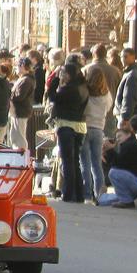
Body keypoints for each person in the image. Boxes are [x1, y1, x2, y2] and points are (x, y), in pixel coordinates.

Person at [47, 61, 89, 203]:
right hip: (80, 126)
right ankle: (78, 194)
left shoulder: (69, 89)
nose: (62, 75)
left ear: (69, 75)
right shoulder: (83, 87)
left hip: (66, 126)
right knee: (75, 161)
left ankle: (68, 193)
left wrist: (55, 80)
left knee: (67, 161)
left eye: (64, 73)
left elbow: (52, 97)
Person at [82, 66, 113, 203]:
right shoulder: (106, 94)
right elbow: (108, 108)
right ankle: (100, 194)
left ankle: (87, 195)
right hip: (99, 129)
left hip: (85, 127)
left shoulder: (85, 92)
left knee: (85, 163)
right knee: (97, 164)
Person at [99, 125, 137, 207]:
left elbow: (118, 165)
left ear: (128, 134)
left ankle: (126, 201)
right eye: (116, 137)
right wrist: (108, 152)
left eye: (120, 136)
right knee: (106, 201)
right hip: (136, 182)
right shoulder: (127, 145)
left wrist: (110, 150)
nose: (118, 139)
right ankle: (102, 198)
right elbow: (117, 163)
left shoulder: (130, 145)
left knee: (113, 173)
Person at [9, 57, 36, 150]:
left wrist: (9, 94)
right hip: (17, 111)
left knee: (19, 136)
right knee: (15, 134)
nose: (16, 68)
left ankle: (21, 155)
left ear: (23, 67)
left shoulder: (26, 80)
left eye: (17, 66)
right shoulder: (23, 79)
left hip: (20, 111)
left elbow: (19, 96)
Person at [114, 47, 137, 123]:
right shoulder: (129, 73)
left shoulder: (132, 75)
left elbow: (129, 97)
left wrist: (125, 117)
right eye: (121, 57)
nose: (123, 59)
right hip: (129, 115)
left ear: (133, 57)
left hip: (128, 117)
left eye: (125, 57)